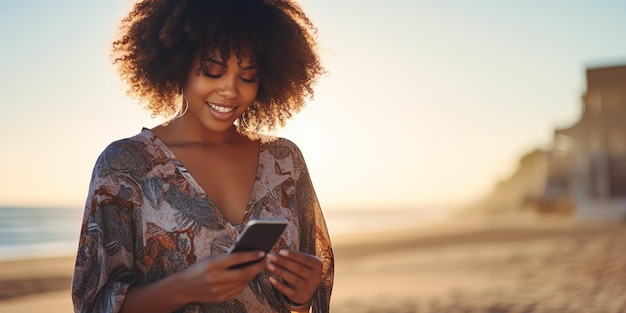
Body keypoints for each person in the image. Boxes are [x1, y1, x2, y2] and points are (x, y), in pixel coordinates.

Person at [71, 0, 334, 312]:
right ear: (177, 64)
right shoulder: (126, 165)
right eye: (212, 71)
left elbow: (303, 307)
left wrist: (300, 298)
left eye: (248, 77)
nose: (230, 90)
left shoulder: (285, 161)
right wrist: (184, 287)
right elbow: (94, 305)